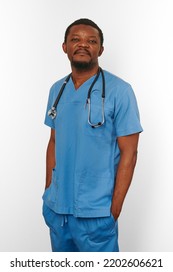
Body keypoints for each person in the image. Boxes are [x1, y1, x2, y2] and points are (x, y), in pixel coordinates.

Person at [42, 18, 143, 252]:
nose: (83, 44)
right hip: (58, 210)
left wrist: (115, 208)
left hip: (97, 212)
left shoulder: (120, 91)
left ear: (101, 49)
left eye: (91, 41)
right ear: (65, 47)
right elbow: (54, 142)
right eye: (75, 39)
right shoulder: (57, 90)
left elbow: (130, 152)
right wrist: (48, 192)